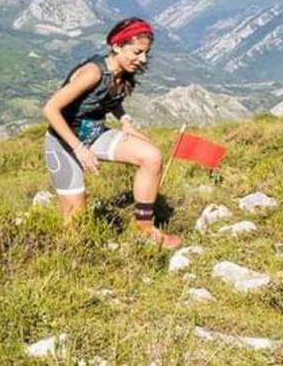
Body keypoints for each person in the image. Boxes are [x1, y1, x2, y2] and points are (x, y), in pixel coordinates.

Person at [42, 17, 182, 248]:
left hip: (94, 134)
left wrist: (125, 121)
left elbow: (110, 99)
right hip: (64, 144)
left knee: (151, 156)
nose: (142, 59)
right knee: (76, 225)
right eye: (137, 52)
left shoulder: (121, 73)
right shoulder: (92, 73)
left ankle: (144, 230)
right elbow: (50, 109)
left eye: (145, 53)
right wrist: (79, 149)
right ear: (117, 46)